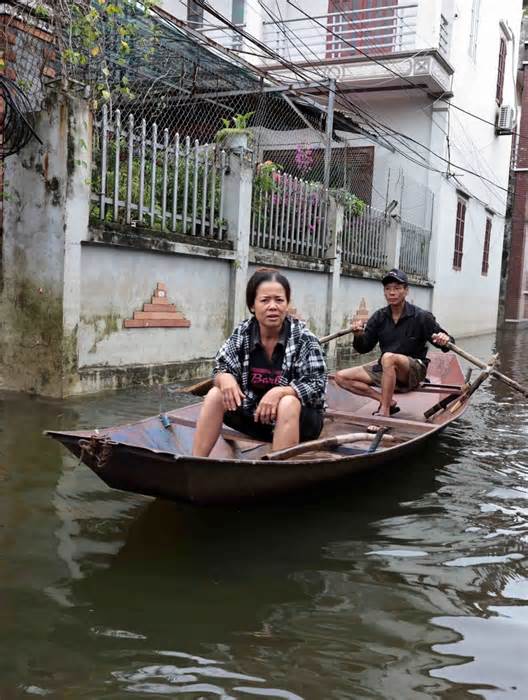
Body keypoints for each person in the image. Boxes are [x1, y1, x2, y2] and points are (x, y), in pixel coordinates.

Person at [192, 268, 327, 457]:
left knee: (288, 402)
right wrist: (224, 378)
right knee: (215, 393)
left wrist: (281, 391)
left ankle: (277, 475)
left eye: (279, 300)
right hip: (256, 416)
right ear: (252, 305)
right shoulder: (243, 333)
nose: (273, 306)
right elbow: (221, 366)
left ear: (287, 304)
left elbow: (317, 386)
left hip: (300, 422)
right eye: (265, 300)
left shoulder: (305, 339)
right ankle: (196, 463)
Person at [335, 268, 453, 417]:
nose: (392, 293)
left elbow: (447, 344)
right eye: (388, 289)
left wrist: (444, 340)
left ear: (406, 291)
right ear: (384, 292)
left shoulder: (422, 317)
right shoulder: (379, 317)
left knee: (388, 357)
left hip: (413, 371)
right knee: (341, 377)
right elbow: (364, 348)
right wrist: (358, 335)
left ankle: (383, 412)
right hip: (386, 369)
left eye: (397, 288)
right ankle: (387, 401)